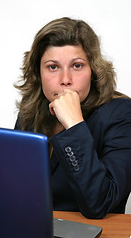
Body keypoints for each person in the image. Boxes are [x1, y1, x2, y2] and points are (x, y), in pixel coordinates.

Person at [14, 17, 131, 219]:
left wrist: (74, 125)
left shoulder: (121, 113)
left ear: (93, 70)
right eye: (53, 67)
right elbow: (14, 187)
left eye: (77, 66)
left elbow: (100, 204)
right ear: (37, 72)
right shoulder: (31, 110)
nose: (65, 80)